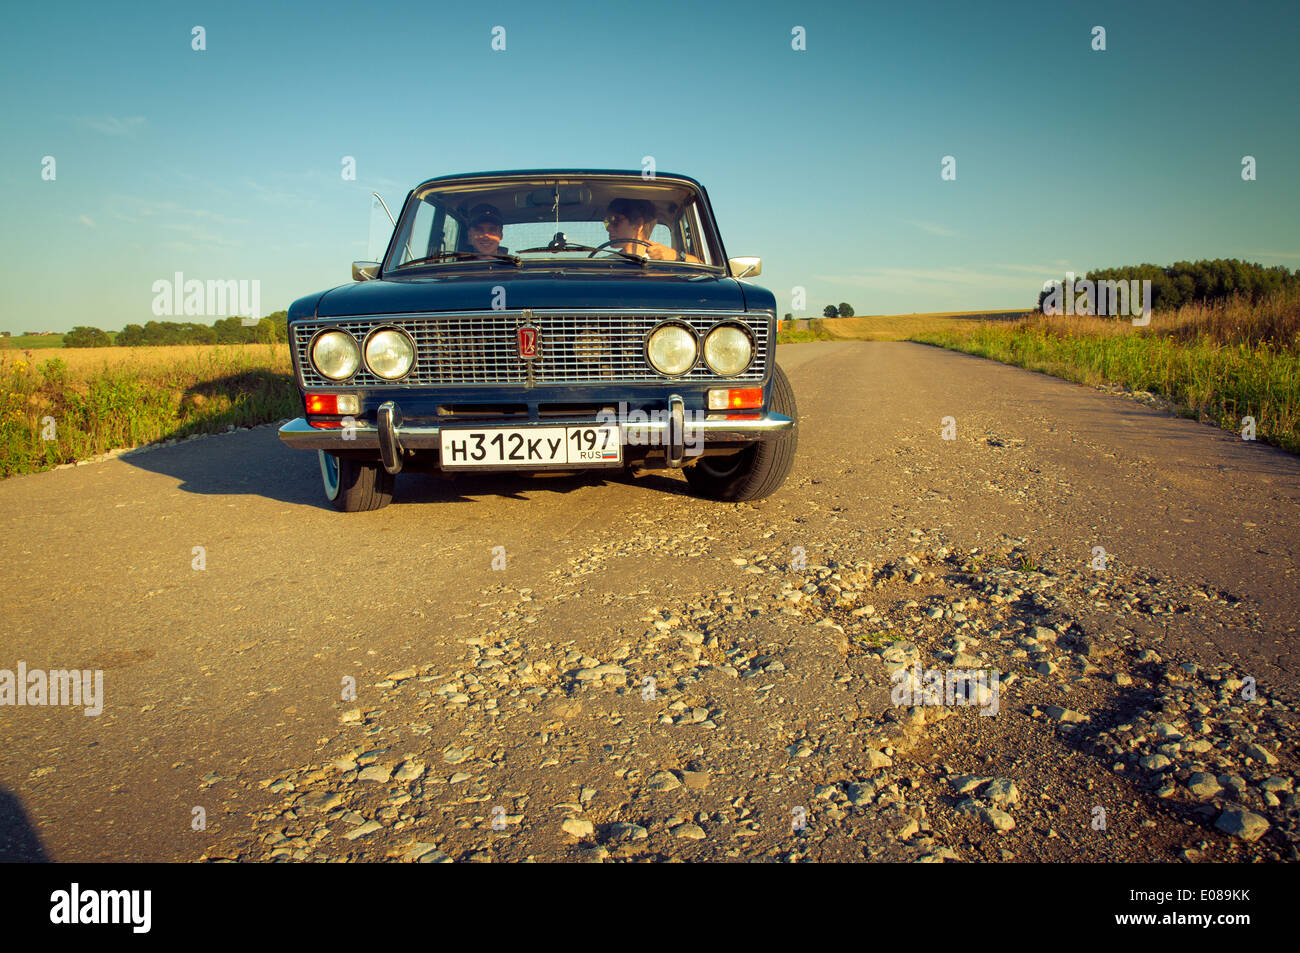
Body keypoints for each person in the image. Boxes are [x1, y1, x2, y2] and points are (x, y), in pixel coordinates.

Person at [603, 198, 700, 262]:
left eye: (615, 220)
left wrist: (676, 256)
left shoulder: (666, 259)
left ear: (638, 224)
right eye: (607, 222)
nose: (608, 228)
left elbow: (703, 269)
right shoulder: (603, 264)